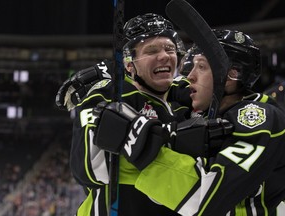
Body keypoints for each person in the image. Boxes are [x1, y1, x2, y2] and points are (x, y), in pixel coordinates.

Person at [94, 29, 285, 215]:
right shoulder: (214, 121)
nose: (190, 76)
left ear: (230, 75)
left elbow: (208, 198)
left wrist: (140, 145)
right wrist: (106, 73)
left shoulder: (258, 115)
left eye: (201, 67)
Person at [69, 13, 190, 216]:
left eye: (170, 49)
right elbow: (87, 170)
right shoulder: (114, 96)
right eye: (151, 50)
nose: (164, 56)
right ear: (129, 65)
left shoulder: (186, 103)